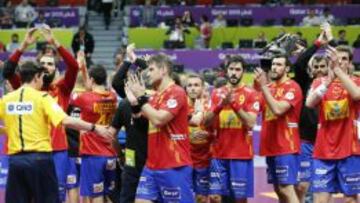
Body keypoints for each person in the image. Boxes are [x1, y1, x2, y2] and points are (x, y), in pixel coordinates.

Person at [0, 61, 112, 203]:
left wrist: (6, 130)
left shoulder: (7, 99)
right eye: (41, 76)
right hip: (40, 159)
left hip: (16, 161)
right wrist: (94, 127)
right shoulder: (43, 98)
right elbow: (66, 120)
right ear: (36, 77)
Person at [3, 26, 80, 203]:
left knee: (56, 197)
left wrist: (55, 43)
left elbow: (74, 66)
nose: (46, 66)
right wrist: (23, 46)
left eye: (50, 63)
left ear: (55, 68)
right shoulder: (26, 88)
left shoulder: (63, 89)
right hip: (32, 152)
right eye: (43, 63)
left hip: (58, 152)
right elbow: (8, 71)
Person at [126, 54, 194, 203]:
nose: (147, 73)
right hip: (151, 166)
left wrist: (141, 97)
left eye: (151, 69)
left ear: (163, 70)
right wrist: (134, 103)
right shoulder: (155, 96)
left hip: (174, 165)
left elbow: (158, 120)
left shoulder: (177, 92)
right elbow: (141, 120)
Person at [306, 45, 360, 203]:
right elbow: (309, 103)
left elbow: (356, 95)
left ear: (350, 63)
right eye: (337, 59)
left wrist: (338, 72)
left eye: (344, 59)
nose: (340, 62)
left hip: (350, 151)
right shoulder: (319, 82)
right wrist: (328, 81)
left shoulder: (356, 82)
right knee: (320, 200)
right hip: (323, 151)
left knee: (350, 199)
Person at [204, 56, 259, 203]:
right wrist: (220, 105)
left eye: (238, 69)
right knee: (215, 197)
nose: (234, 73)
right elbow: (206, 121)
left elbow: (251, 123)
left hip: (241, 155)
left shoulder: (251, 94)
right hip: (218, 154)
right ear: (226, 71)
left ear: (243, 72)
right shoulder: (216, 93)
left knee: (239, 199)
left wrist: (233, 104)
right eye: (231, 69)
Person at [254, 54, 303, 203]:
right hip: (270, 147)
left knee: (286, 189)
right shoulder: (268, 88)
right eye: (273, 64)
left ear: (287, 68)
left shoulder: (292, 87)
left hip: (286, 146)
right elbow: (255, 109)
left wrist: (263, 87)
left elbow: (278, 109)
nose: (274, 67)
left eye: (279, 64)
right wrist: (256, 87)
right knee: (278, 190)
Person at [71, 65, 118, 203]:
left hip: (93, 154)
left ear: (91, 79)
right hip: (110, 152)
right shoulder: (113, 97)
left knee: (95, 194)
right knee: (108, 194)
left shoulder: (85, 98)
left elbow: (70, 95)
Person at [110, 45, 149, 203]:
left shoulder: (160, 100)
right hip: (133, 160)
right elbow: (117, 82)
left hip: (154, 160)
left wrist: (134, 61)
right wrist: (130, 60)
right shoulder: (126, 102)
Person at [186, 74, 212, 203]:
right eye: (189, 85)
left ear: (202, 88)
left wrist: (209, 135)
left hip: (204, 161)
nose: (192, 88)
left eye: (196, 85)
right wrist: (187, 136)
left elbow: (217, 133)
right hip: (183, 161)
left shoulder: (209, 110)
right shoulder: (179, 108)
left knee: (201, 198)